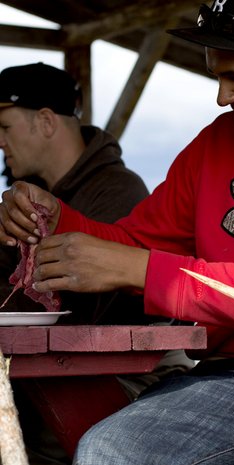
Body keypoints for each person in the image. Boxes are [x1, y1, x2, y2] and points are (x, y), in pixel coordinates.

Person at [0, 0, 234, 463]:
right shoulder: (215, 142)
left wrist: (150, 272)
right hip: (218, 371)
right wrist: (58, 220)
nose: (222, 97)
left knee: (112, 450)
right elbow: (136, 244)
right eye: (217, 77)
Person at [0, 63, 193, 465]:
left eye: (4, 126)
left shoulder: (119, 193)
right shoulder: (34, 197)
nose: (0, 142)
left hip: (134, 377)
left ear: (47, 122)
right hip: (60, 371)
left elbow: (83, 316)